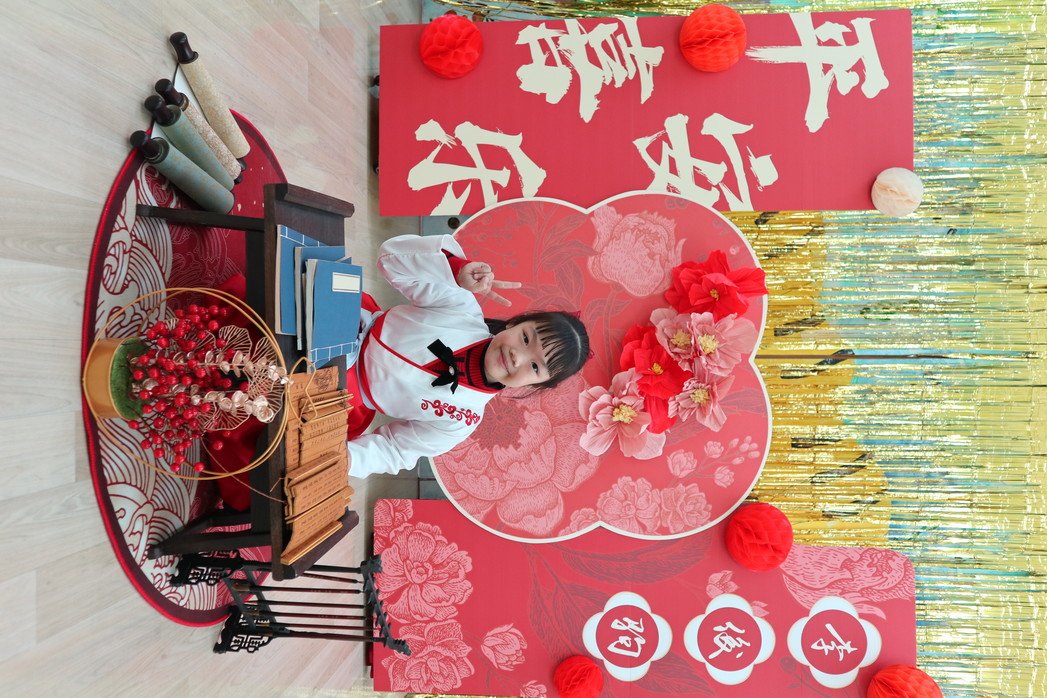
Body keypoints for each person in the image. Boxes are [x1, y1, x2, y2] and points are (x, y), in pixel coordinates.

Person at [347, 233, 590, 478]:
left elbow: (395, 450)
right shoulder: (462, 307)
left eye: (535, 367)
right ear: (514, 324)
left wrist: (346, 460)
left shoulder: (463, 420)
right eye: (526, 338)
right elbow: (391, 259)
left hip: (342, 399)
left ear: (536, 385)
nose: (518, 357)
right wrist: (455, 271)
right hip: (350, 318)